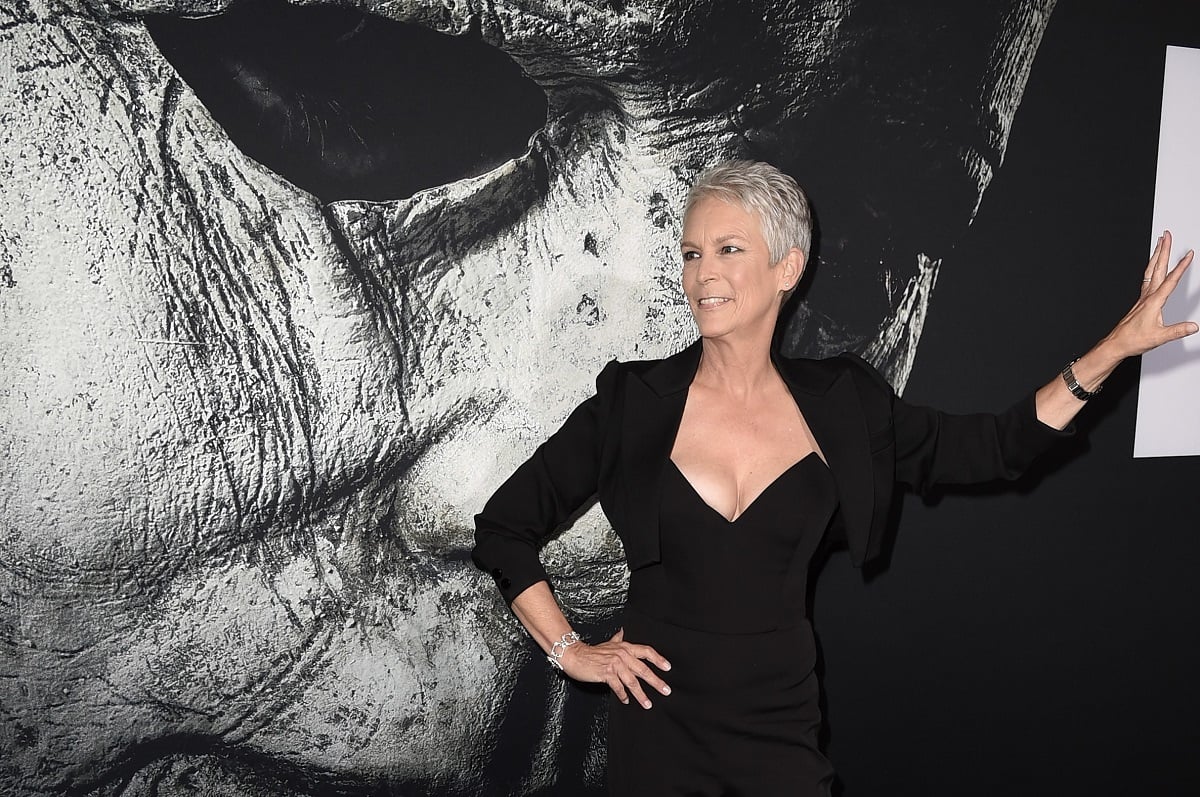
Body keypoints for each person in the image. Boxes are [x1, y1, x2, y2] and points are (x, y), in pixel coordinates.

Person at [471, 160, 1196, 795]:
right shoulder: (633, 401)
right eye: (691, 253)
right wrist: (571, 651)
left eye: (728, 249)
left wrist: (1116, 348)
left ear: (787, 268)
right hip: (658, 726)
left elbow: (995, 447)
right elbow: (504, 528)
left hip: (779, 724)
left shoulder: (843, 403)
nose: (703, 274)